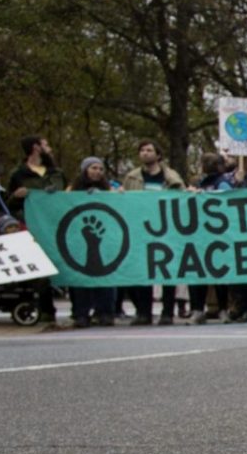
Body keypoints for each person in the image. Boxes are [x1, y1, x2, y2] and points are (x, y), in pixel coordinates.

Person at [121, 140, 186, 325]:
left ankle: (167, 312)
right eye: (142, 150)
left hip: (166, 230)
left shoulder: (172, 178)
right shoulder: (132, 178)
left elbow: (181, 200)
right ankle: (143, 312)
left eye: (149, 150)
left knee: (167, 272)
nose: (145, 153)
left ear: (158, 155)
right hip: (140, 230)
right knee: (142, 271)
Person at [65, 157, 119, 328]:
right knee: (81, 277)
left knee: (106, 276)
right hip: (79, 238)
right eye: (93, 168)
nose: (97, 172)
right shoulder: (72, 190)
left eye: (100, 169)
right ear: (85, 170)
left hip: (107, 238)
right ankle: (81, 313)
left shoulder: (110, 188)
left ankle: (106, 312)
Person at [5, 135, 65, 226]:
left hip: (58, 220)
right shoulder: (18, 174)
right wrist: (16, 197)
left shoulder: (57, 172)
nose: (50, 149)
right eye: (46, 145)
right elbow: (8, 205)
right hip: (33, 224)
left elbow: (68, 195)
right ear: (36, 147)